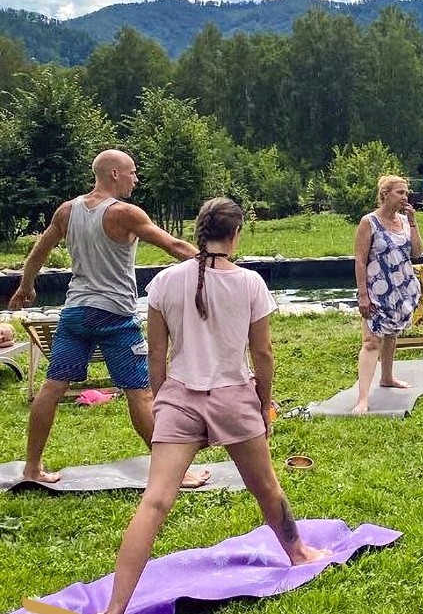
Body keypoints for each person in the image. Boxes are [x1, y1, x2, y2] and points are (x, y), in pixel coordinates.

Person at [99, 198, 330, 614]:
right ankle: (297, 553)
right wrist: (263, 405)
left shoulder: (165, 281)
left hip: (179, 398)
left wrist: (163, 401)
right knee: (266, 487)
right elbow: (263, 355)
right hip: (234, 398)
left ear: (199, 232)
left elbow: (155, 353)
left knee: (154, 502)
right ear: (235, 234)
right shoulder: (250, 283)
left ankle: (115, 608)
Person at [6, 149, 207, 487]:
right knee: (140, 394)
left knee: (52, 388)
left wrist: (26, 286)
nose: (136, 179)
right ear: (114, 174)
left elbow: (39, 250)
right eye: (132, 172)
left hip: (75, 313)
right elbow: (173, 246)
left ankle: (32, 468)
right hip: (114, 316)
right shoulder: (125, 213)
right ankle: (175, 472)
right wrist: (215, 265)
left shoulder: (67, 210)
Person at [353, 175, 423, 414]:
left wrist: (413, 223)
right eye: (400, 192)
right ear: (385, 194)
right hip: (377, 290)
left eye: (406, 192)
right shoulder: (369, 222)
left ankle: (387, 377)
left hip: (401, 288)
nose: (405, 197)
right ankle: (362, 399)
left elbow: (417, 253)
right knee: (371, 342)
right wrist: (363, 294)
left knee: (392, 333)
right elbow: (360, 260)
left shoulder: (404, 221)